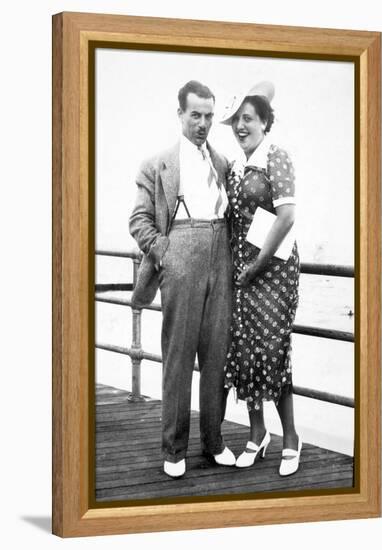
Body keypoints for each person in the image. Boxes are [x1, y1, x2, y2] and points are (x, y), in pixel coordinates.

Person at [129, 80, 235, 478]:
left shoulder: (222, 163)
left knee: (216, 356)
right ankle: (174, 449)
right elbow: (138, 220)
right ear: (180, 115)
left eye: (209, 116)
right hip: (180, 255)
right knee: (178, 357)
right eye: (196, 115)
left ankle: (213, 441)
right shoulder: (156, 165)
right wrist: (165, 251)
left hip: (220, 253)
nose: (203, 123)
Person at [221, 80, 302, 476]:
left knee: (272, 350)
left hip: (274, 272)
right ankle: (257, 433)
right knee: (244, 350)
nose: (241, 126)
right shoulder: (235, 165)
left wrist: (257, 265)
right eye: (236, 120)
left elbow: (286, 217)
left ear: (265, 122)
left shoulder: (276, 156)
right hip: (243, 271)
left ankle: (291, 437)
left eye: (248, 119)